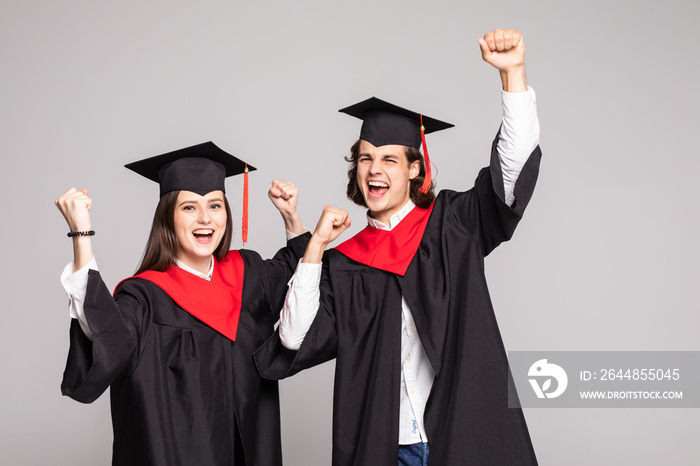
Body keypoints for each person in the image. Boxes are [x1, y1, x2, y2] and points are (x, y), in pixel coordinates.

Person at [254, 28, 541, 465]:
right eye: (366, 157)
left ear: (415, 169)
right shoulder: (345, 265)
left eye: (390, 159)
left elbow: (509, 175)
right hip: (385, 448)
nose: (374, 169)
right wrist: (314, 245)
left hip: (463, 440)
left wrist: (513, 77)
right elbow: (294, 337)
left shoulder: (453, 226)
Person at [55, 141, 310, 466]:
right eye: (189, 207)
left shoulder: (248, 274)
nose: (205, 218)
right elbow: (107, 338)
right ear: (168, 218)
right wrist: (82, 235)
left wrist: (291, 217)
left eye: (215, 205)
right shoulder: (144, 297)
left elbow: (300, 278)